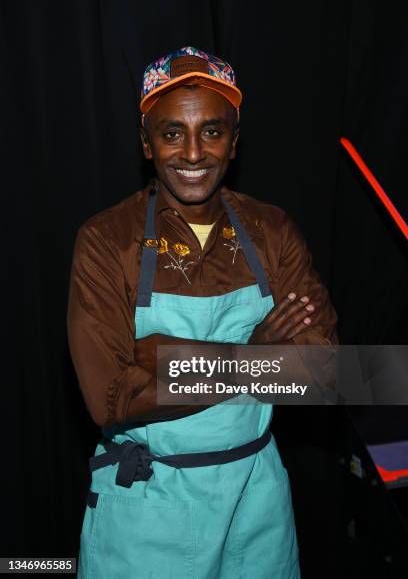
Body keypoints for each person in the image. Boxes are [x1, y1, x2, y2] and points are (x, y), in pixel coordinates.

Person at [67, 46, 338, 579]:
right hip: (150, 509)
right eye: (172, 134)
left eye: (211, 131)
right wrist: (253, 355)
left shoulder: (273, 230)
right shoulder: (106, 241)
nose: (193, 153)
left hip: (256, 502)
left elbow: (324, 374)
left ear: (234, 141)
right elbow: (111, 400)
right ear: (147, 143)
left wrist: (175, 359)